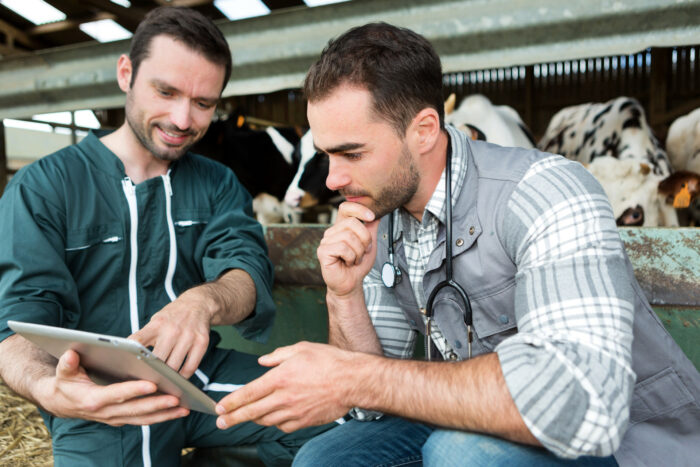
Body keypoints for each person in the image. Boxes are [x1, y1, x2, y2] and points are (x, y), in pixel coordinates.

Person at [214, 22, 700, 466]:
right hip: (479, 423)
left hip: (625, 443)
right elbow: (370, 402)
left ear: (424, 130)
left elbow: (580, 406)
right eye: (326, 155)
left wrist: (351, 377)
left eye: (352, 153)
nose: (333, 178)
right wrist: (343, 296)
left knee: (462, 454)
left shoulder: (546, 192)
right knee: (326, 459)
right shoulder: (381, 215)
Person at [0, 7, 330, 466]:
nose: (182, 118)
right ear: (126, 73)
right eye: (166, 91)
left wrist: (203, 302)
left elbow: (246, 269)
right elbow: (16, 327)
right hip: (98, 395)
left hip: (198, 376)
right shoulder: (44, 187)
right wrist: (47, 388)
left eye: (203, 103)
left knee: (332, 418)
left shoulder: (216, 182)